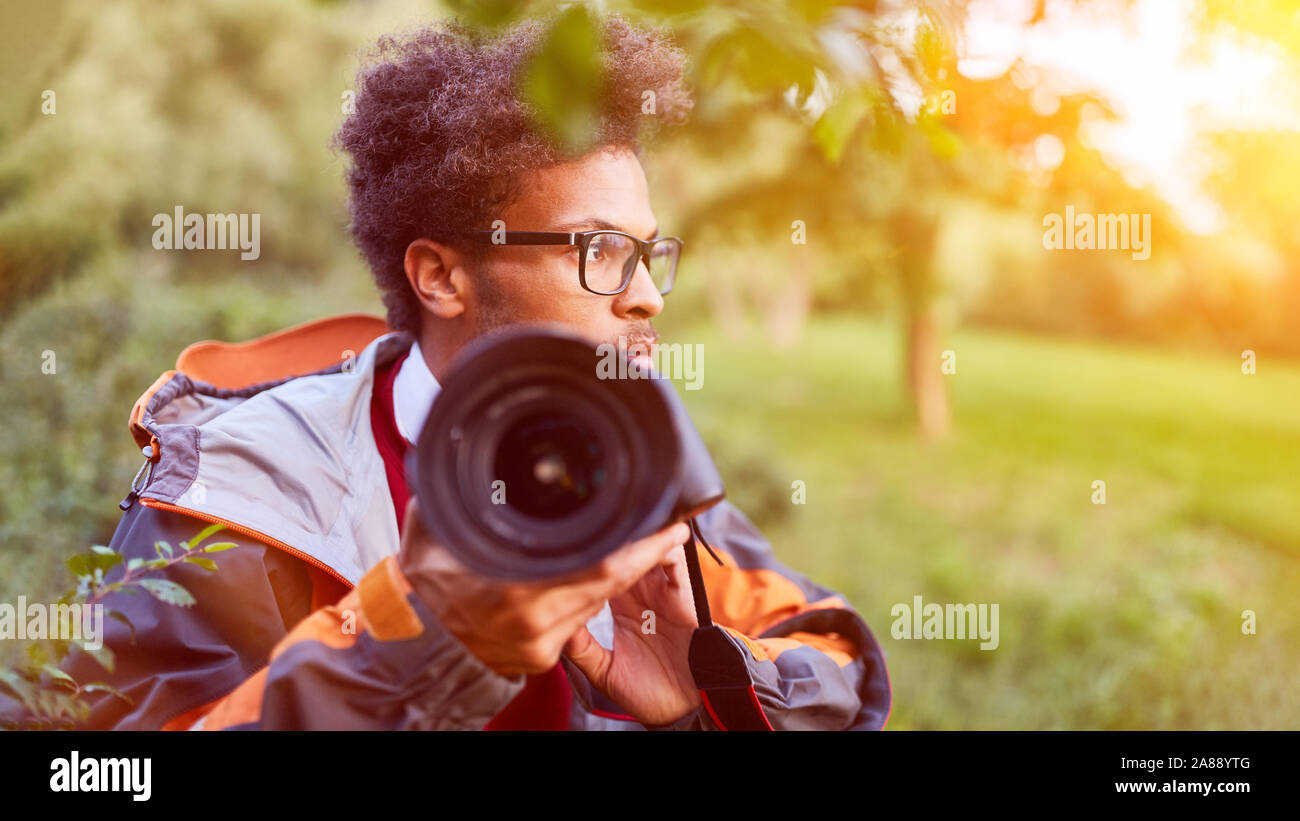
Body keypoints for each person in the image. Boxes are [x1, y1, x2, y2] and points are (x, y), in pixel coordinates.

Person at [7, 12, 891, 730]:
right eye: (601, 250)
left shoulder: (640, 464)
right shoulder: (244, 493)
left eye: (649, 254)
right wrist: (421, 644)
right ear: (441, 274)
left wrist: (713, 695)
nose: (647, 298)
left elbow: (839, 661)